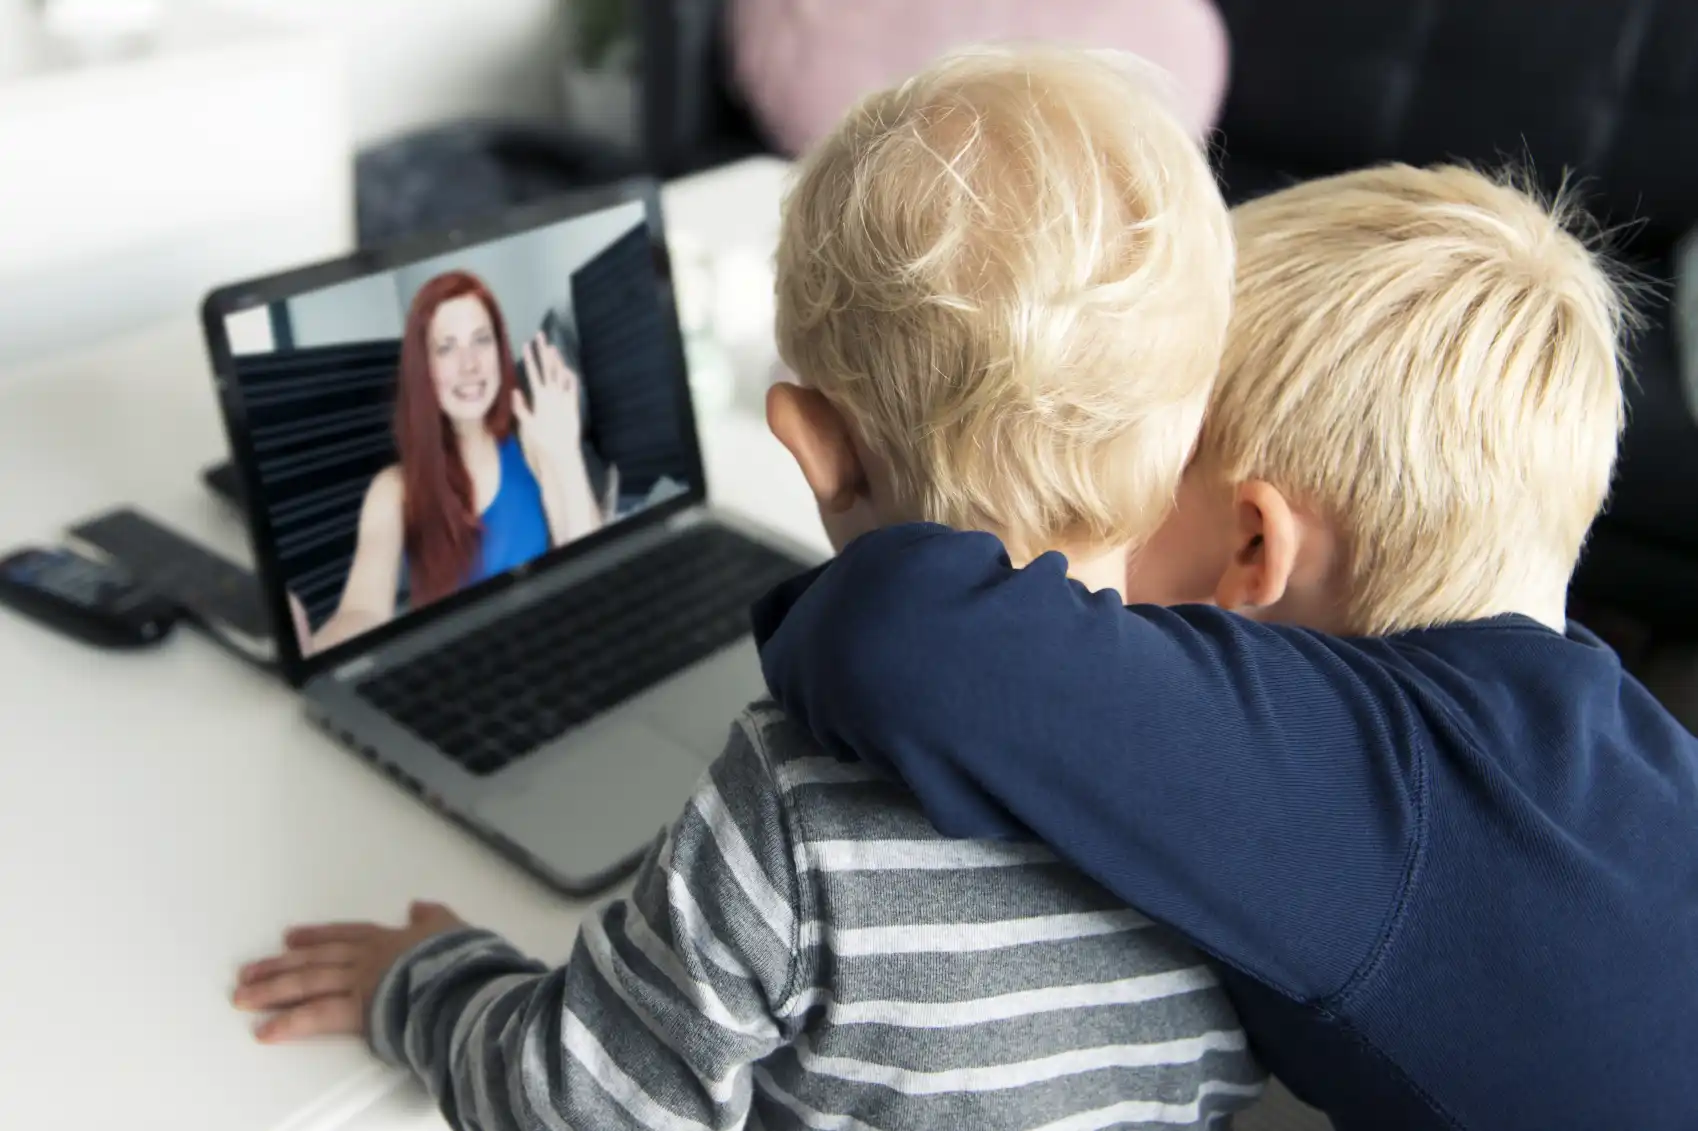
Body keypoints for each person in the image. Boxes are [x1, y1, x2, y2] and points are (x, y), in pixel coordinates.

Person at [231, 45, 1266, 1129]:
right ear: (1189, 423)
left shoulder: (794, 815)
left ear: (815, 450)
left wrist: (426, 982)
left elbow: (573, 1101)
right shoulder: (1269, 738)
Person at [752, 164, 1698, 1130]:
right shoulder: (1601, 741)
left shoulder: (1364, 782)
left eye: (1135, 472)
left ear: (1255, 546)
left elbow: (900, 641)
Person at [300, 270, 606, 655]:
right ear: (423, 369)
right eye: (446, 348)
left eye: (482, 340)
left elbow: (596, 570)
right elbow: (362, 610)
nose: (470, 365)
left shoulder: (532, 443)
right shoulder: (393, 489)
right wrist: (312, 649)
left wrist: (565, 456)